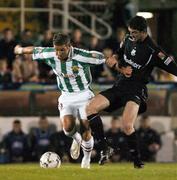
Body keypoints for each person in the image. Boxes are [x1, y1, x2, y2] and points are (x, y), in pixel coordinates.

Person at [14, 33, 131, 168]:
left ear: (69, 47)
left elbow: (106, 59)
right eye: (56, 49)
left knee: (85, 128)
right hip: (66, 96)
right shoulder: (50, 54)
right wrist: (19, 50)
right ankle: (77, 139)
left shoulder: (82, 56)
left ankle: (86, 158)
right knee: (68, 128)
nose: (58, 53)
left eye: (62, 50)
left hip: (84, 95)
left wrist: (120, 68)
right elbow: (34, 50)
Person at [86, 16, 177, 168]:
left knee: (127, 125)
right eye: (130, 32)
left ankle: (137, 161)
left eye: (135, 33)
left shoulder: (154, 51)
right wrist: (115, 61)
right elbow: (118, 52)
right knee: (90, 108)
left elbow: (173, 68)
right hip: (120, 86)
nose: (132, 35)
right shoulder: (128, 38)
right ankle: (105, 148)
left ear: (143, 32)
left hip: (136, 89)